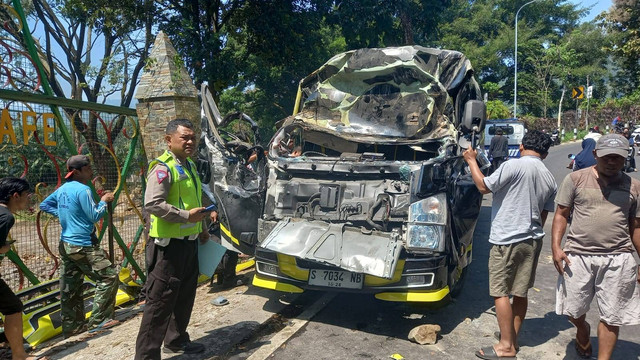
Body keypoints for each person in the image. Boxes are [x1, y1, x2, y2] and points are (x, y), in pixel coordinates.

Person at [464, 130, 557, 360]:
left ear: (522, 146)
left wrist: (470, 160)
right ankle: (512, 337)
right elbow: (544, 214)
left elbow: (484, 186)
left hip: (507, 238)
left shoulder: (513, 165)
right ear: (545, 154)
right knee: (520, 292)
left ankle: (505, 346)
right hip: (533, 239)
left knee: (500, 293)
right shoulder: (549, 176)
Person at [134, 119, 218, 359]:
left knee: (185, 295)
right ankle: (147, 356)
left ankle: (176, 340)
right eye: (184, 137)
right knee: (159, 304)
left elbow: (193, 199)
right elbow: (153, 204)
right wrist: (184, 217)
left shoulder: (189, 165)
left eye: (193, 137)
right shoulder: (162, 167)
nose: (190, 141)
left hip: (189, 243)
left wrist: (201, 224)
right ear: (168, 140)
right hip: (167, 249)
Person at [551, 133, 640, 359]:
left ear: (626, 158)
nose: (612, 162)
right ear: (595, 155)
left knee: (613, 315)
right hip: (577, 256)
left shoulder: (634, 186)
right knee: (573, 309)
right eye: (607, 157)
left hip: (618, 258)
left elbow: (636, 227)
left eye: (617, 158)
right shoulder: (575, 180)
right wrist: (556, 247)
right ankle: (582, 328)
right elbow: (561, 214)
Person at [39, 155, 119, 338]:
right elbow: (94, 216)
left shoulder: (62, 189)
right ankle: (99, 321)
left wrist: (63, 213)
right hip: (83, 244)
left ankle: (73, 328)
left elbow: (45, 205)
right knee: (108, 277)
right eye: (87, 167)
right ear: (76, 171)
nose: (91, 170)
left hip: (66, 244)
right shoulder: (83, 190)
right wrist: (104, 201)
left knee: (70, 287)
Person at [0, 177, 42, 360]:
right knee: (13, 307)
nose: (28, 199)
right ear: (15, 196)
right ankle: (19, 355)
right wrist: (4, 247)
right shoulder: (5, 216)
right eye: (26, 195)